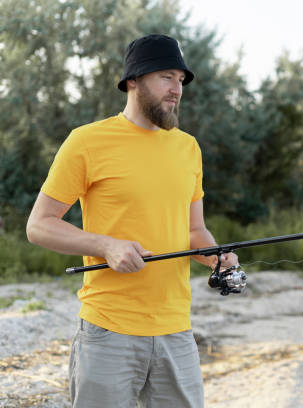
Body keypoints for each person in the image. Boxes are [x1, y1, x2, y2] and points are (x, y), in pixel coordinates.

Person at [26, 34, 237, 407]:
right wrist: (105, 245)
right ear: (133, 81)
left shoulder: (188, 148)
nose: (177, 89)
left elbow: (193, 230)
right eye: (166, 77)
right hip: (108, 331)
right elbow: (39, 225)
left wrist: (216, 255)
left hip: (176, 332)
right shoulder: (87, 141)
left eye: (181, 80)